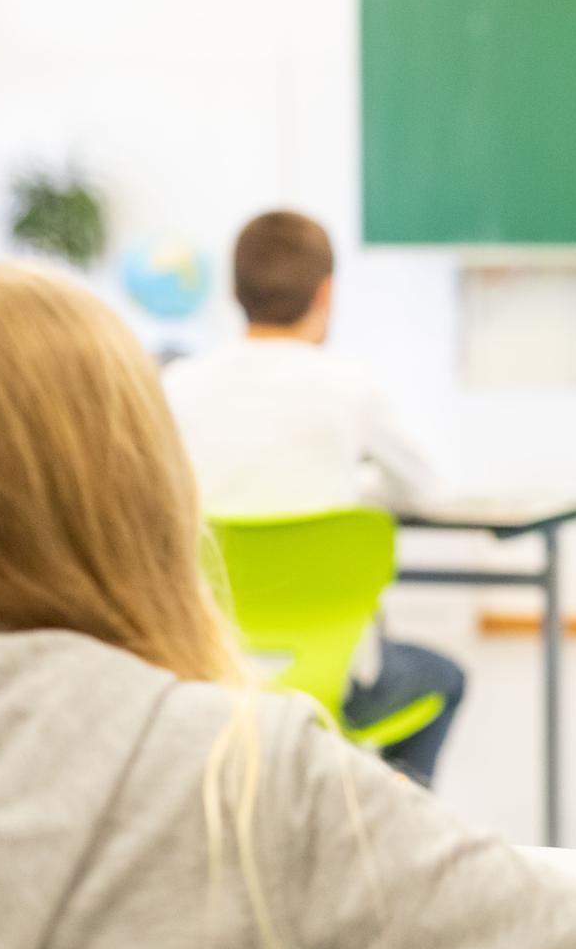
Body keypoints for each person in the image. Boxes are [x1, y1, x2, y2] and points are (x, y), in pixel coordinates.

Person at [0, 262, 576, 949]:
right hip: (311, 686)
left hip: (234, 650)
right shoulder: (248, 784)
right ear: (139, 488)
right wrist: (378, 840)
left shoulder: (190, 380)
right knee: (439, 677)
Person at [163, 210, 462, 785]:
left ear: (233, 293)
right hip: (334, 683)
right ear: (327, 292)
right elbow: (426, 489)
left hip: (204, 672)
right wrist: (356, 494)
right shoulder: (349, 386)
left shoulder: (178, 385)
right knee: (445, 679)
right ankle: (394, 834)